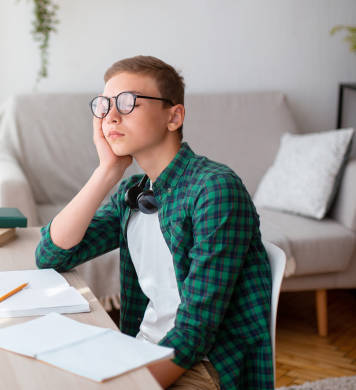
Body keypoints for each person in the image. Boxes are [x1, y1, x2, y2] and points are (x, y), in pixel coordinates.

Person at [35, 55, 273, 389]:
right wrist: (106, 171)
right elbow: (52, 255)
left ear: (173, 117)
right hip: (141, 347)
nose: (111, 116)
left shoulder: (214, 189)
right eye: (104, 106)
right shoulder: (134, 191)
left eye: (128, 103)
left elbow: (195, 332)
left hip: (202, 365)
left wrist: (133, 384)